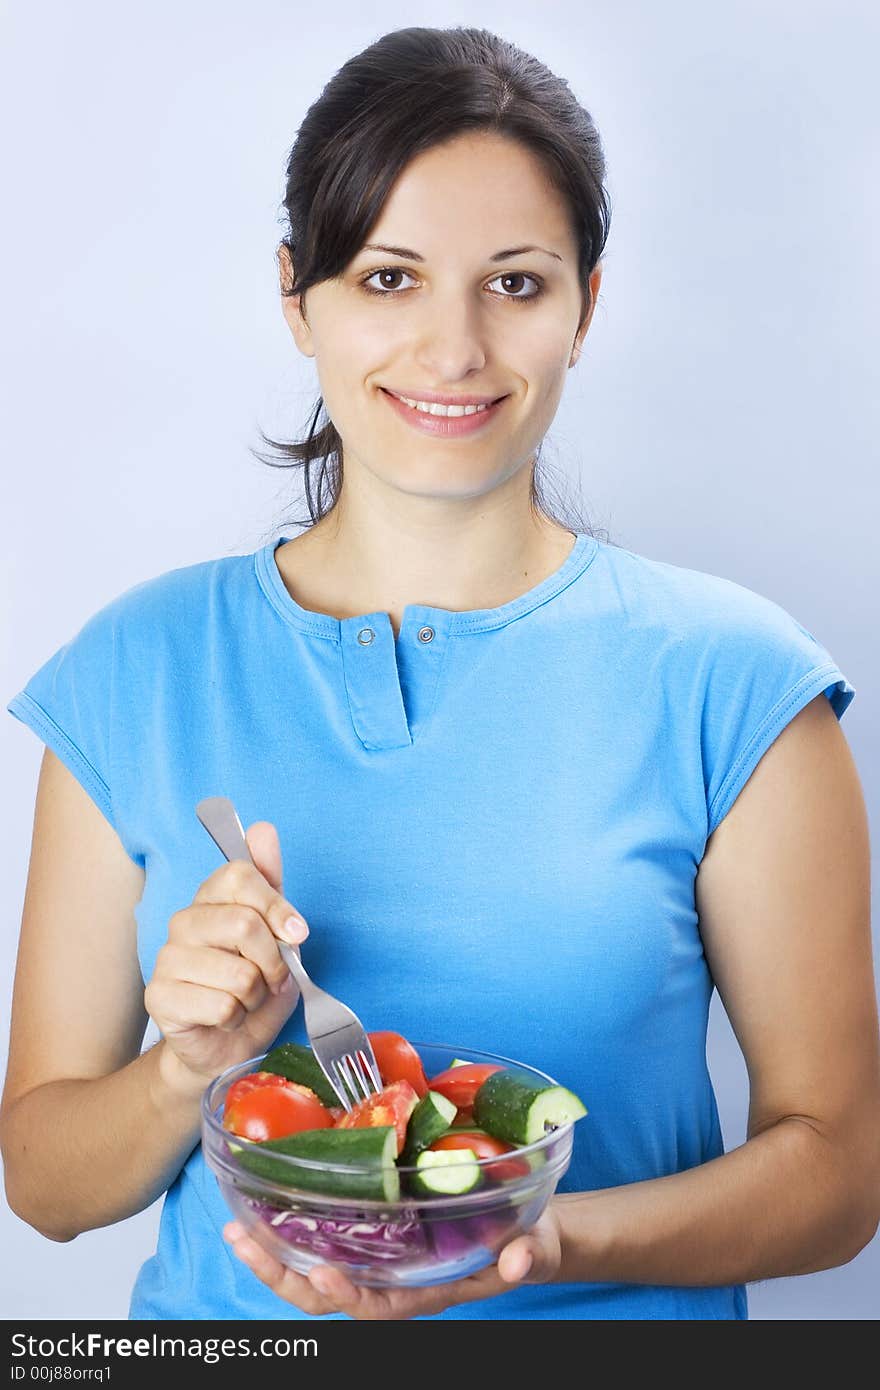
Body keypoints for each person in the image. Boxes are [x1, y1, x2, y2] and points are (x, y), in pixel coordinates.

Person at [2, 25, 877, 1324]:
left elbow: (840, 1172)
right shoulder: (136, 670)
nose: (455, 349)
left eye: (516, 284)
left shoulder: (737, 688)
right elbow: (46, 1184)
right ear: (297, 295)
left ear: (588, 303)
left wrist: (534, 1237)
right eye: (390, 278)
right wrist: (189, 1064)